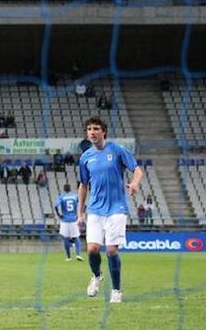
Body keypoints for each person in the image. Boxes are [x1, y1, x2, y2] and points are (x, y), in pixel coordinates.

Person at [78, 117, 143, 304]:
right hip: (95, 209)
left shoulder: (117, 150)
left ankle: (116, 291)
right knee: (92, 250)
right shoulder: (85, 157)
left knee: (112, 251)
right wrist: (80, 212)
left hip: (116, 208)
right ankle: (97, 276)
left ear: (103, 131)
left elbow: (137, 170)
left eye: (96, 128)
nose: (92, 132)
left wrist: (134, 183)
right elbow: (83, 185)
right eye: (89, 129)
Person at [53, 183, 83, 261]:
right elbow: (83, 205)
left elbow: (56, 206)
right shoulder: (75, 196)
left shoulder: (61, 197)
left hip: (65, 220)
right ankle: (78, 255)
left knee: (66, 238)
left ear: (64, 189)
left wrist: (59, 215)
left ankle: (69, 257)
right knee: (76, 237)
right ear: (70, 189)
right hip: (74, 219)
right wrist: (79, 214)